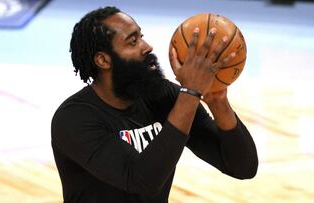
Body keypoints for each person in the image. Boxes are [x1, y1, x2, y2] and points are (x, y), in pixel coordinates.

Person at [51, 6, 258, 203]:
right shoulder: (74, 119)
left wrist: (217, 100)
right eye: (132, 42)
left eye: (141, 36)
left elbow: (243, 167)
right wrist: (191, 93)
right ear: (103, 60)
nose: (147, 46)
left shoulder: (162, 96)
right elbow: (141, 180)